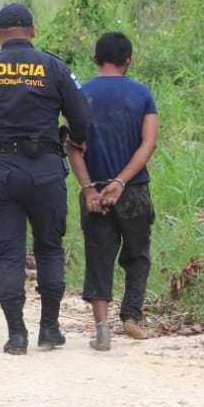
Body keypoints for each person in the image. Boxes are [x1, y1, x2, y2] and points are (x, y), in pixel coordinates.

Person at [0, 3, 92, 355]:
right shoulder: (54, 66)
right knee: (49, 248)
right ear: (33, 31)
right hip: (45, 168)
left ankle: (16, 335)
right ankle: (49, 329)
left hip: (3, 169)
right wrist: (76, 136)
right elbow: (81, 116)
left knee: (10, 254)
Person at [65, 32, 159, 352]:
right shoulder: (143, 94)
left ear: (95, 59)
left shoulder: (80, 96)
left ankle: (102, 329)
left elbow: (73, 148)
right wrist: (121, 182)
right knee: (137, 255)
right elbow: (149, 143)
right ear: (128, 61)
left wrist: (90, 188)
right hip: (133, 190)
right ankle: (132, 315)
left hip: (94, 190)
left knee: (98, 255)